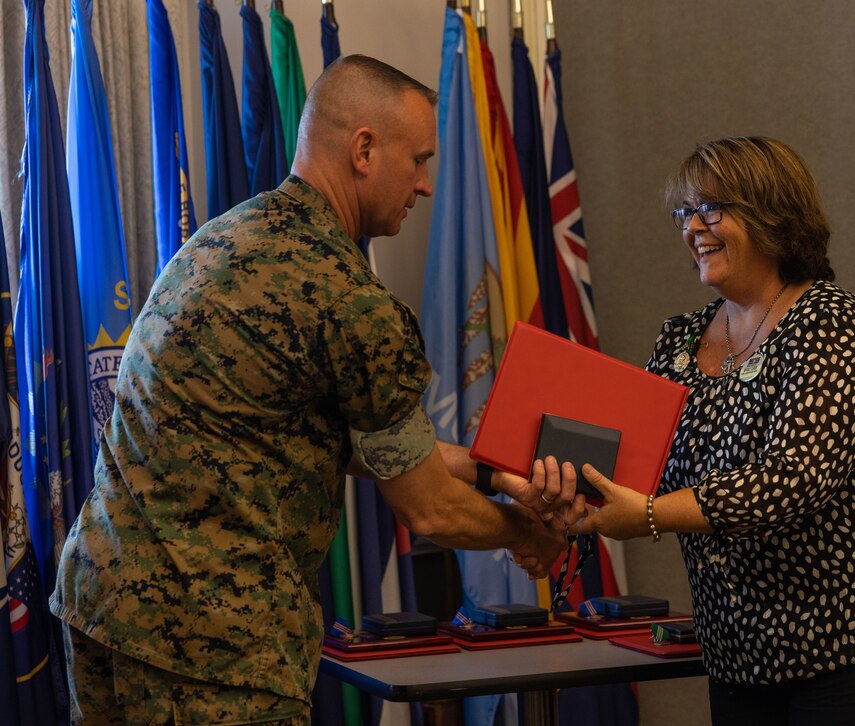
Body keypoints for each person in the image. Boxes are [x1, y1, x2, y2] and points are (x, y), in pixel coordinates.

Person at [49, 56, 569, 724]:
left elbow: (307, 436)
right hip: (208, 643)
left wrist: (497, 471)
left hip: (103, 601)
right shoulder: (349, 298)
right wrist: (529, 532)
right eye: (418, 160)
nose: (426, 184)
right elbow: (431, 512)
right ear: (363, 150)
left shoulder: (219, 239)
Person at [566, 137, 855, 725]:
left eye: (711, 209)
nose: (692, 228)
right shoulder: (678, 341)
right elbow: (626, 462)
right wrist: (552, 504)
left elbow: (790, 480)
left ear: (772, 215)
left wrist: (645, 515)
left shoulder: (833, 325)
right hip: (741, 654)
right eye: (683, 213)